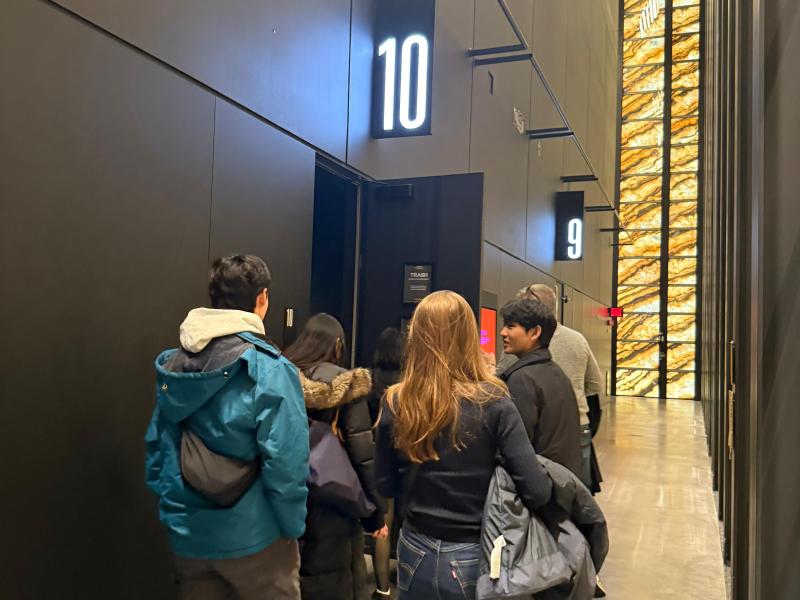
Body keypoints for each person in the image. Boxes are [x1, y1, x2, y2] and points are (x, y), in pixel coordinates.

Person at [145, 254, 309, 599]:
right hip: (258, 538)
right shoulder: (270, 369)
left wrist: (176, 512)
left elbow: (158, 446)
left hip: (190, 537)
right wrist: (292, 527)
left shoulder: (175, 366)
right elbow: (287, 463)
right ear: (262, 298)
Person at [375, 291, 553, 600]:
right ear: (469, 337)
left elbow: (385, 485)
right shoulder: (495, 401)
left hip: (414, 547)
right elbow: (537, 490)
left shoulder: (396, 400)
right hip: (473, 551)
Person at [284, 314, 387, 600]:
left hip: (286, 491)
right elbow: (362, 455)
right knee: (334, 577)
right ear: (337, 344)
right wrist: (375, 516)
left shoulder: (282, 376)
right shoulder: (347, 385)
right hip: (334, 498)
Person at [510, 284, 605, 490]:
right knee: (577, 492)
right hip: (578, 425)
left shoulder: (521, 343)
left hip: (536, 430)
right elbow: (595, 384)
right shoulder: (577, 339)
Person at [499, 298, 583, 479]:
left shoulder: (522, 378)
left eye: (511, 326)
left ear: (535, 332)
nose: (503, 332)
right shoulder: (554, 371)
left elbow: (517, 447)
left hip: (540, 481)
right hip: (562, 479)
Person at [365, 328, 404, 599]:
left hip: (378, 457)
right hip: (407, 456)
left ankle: (382, 589)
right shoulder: (410, 381)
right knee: (408, 521)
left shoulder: (369, 380)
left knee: (383, 524)